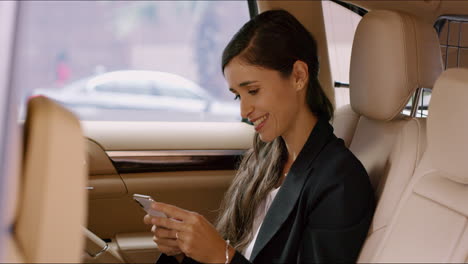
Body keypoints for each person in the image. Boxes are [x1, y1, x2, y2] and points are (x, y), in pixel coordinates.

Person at [143, 9, 375, 263]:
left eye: (253, 90)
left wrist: (223, 256)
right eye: (237, 95)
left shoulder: (340, 181)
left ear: (298, 76)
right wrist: (181, 251)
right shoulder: (263, 159)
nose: (244, 110)